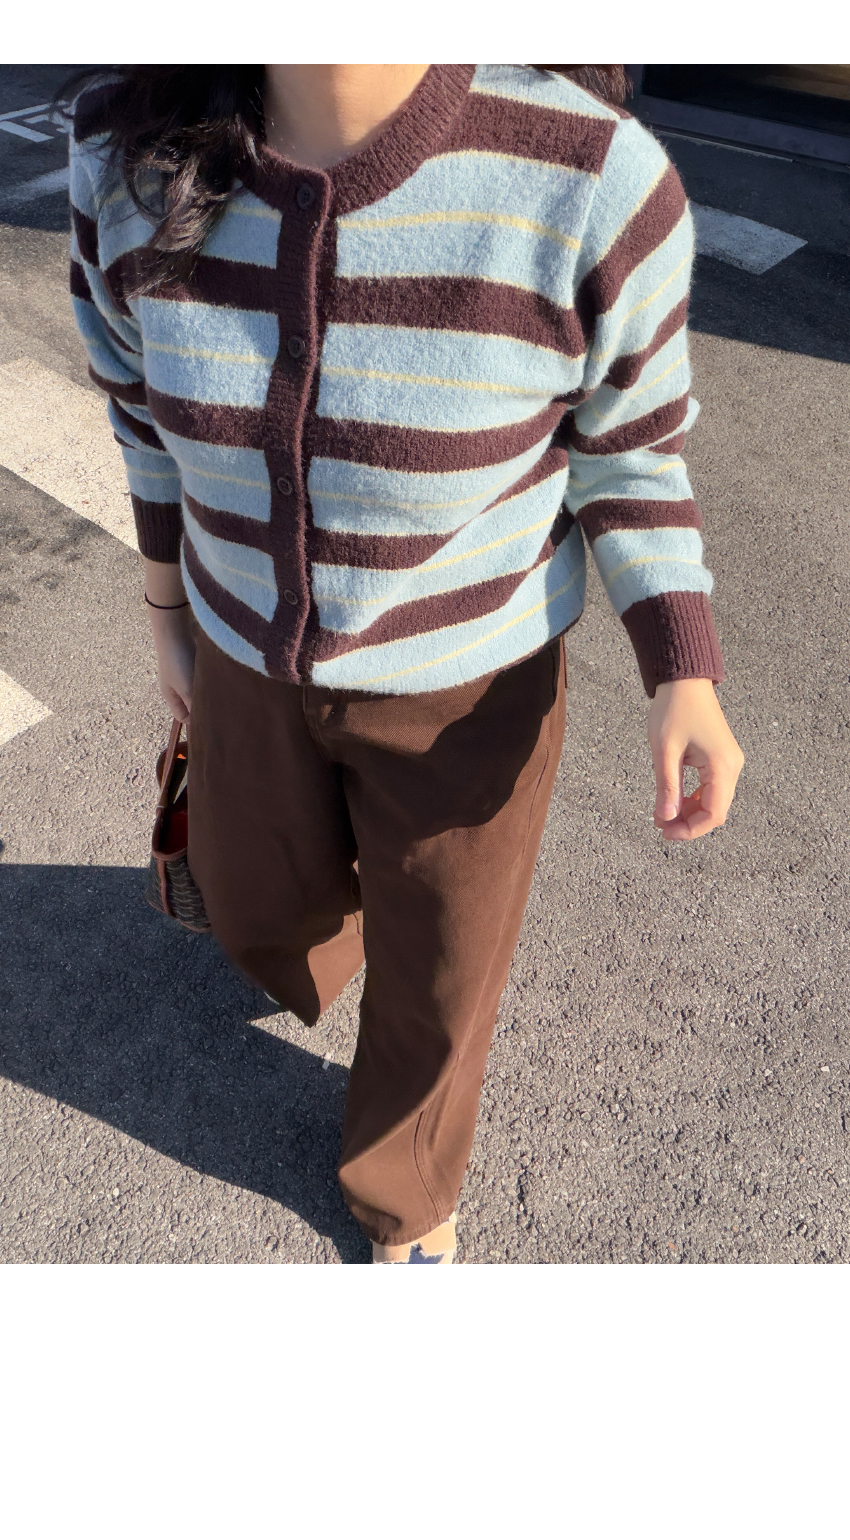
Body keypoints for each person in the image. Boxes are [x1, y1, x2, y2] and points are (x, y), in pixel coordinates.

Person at [62, 63, 745, 1264]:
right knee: (252, 902)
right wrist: (165, 603)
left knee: (440, 975)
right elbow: (135, 408)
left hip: (468, 683)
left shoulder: (589, 178)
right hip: (241, 649)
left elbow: (630, 452)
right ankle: (336, 913)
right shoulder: (126, 147)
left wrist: (678, 665)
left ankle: (404, 1186)